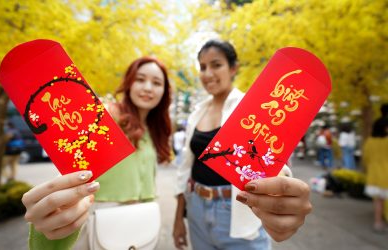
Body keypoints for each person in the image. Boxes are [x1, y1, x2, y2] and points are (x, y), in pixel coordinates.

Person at [173, 40, 312, 250]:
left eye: (216, 64)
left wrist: (282, 193)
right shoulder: (196, 112)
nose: (208, 73)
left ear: (233, 68)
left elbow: (273, 163)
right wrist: (178, 219)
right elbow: (186, 169)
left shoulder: (251, 107)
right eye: (202, 67)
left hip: (237, 212)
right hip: (196, 209)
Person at [22, 56, 172, 248]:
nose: (148, 88)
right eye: (140, 79)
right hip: (99, 218)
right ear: (129, 83)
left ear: (164, 91)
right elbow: (73, 168)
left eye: (156, 83)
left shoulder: (153, 129)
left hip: (144, 221)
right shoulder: (105, 116)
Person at [363, 103, 388, 233]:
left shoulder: (370, 141)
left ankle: (378, 223)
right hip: (386, 174)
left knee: (378, 201)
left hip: (374, 175)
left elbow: (366, 158)